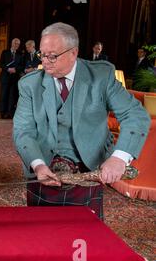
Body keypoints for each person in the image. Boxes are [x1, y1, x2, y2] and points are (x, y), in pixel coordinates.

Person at [13, 22, 150, 220]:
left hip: (88, 171)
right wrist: (37, 165)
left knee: (86, 238)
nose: (46, 61)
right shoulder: (29, 84)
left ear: (73, 52)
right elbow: (23, 130)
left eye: (53, 55)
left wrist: (119, 157)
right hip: (42, 171)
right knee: (41, 237)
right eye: (42, 55)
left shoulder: (101, 76)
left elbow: (136, 115)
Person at [0, 38, 23, 119]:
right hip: (5, 77)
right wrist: (8, 69)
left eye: (18, 44)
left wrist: (15, 69)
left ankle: (10, 112)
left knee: (12, 96)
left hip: (15, 78)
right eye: (15, 43)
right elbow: (0, 64)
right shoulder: (5, 52)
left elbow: (21, 65)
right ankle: (3, 112)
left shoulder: (20, 54)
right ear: (12, 43)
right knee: (4, 95)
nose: (16, 45)